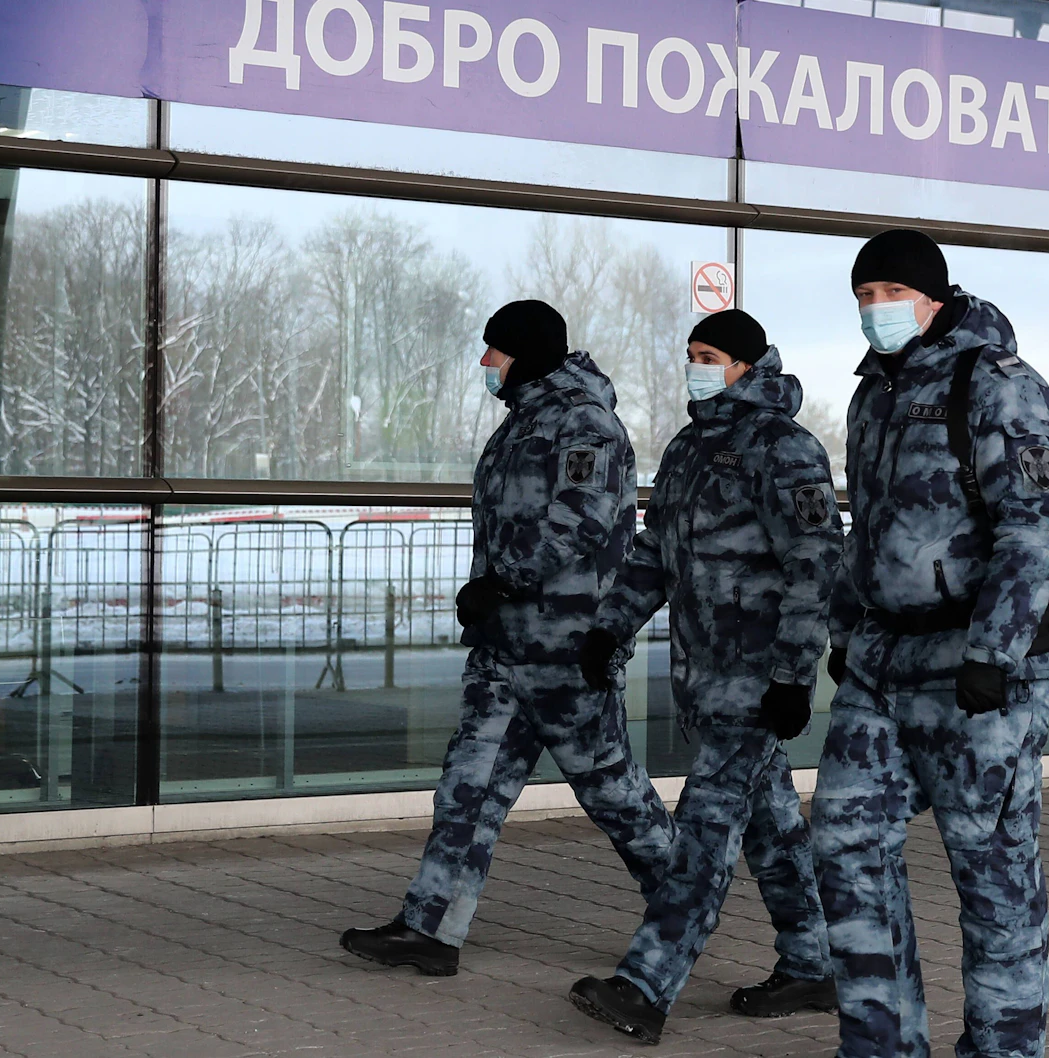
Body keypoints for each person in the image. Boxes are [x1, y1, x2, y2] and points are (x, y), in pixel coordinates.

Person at [340, 300, 676, 976]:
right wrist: (491, 600)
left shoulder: (586, 425)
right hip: (503, 650)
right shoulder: (519, 425)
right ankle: (429, 929)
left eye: (495, 350)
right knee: (468, 788)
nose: (485, 362)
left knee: (612, 793)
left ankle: (688, 898)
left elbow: (580, 521)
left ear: (524, 354)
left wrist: (501, 581)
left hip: (567, 650)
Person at [814, 230, 1049, 1058]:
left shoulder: (1002, 388)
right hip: (884, 666)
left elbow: (1037, 532)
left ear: (932, 296)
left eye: (889, 292)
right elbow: (872, 532)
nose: (874, 309)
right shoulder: (871, 397)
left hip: (979, 674)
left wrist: (993, 655)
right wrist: (848, 630)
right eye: (862, 296)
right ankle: (883, 1042)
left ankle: (1004, 1048)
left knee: (992, 873)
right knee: (843, 836)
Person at [568, 309, 842, 1045]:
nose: (696, 363)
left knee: (704, 831)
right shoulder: (689, 447)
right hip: (703, 674)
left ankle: (646, 985)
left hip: (755, 681)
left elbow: (815, 565)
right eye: (690, 352)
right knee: (774, 829)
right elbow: (656, 552)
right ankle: (813, 963)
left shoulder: (786, 450)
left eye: (710, 353)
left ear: (749, 365)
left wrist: (792, 675)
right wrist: (609, 626)